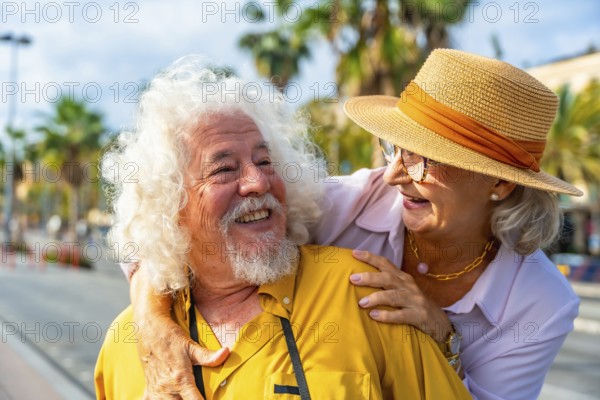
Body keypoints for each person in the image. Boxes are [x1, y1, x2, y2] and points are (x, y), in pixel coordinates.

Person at [123, 49, 581, 400]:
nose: (398, 174)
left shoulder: (541, 303)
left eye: (426, 161)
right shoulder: (342, 202)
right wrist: (151, 319)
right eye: (396, 148)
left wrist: (444, 338)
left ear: (499, 185)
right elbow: (162, 226)